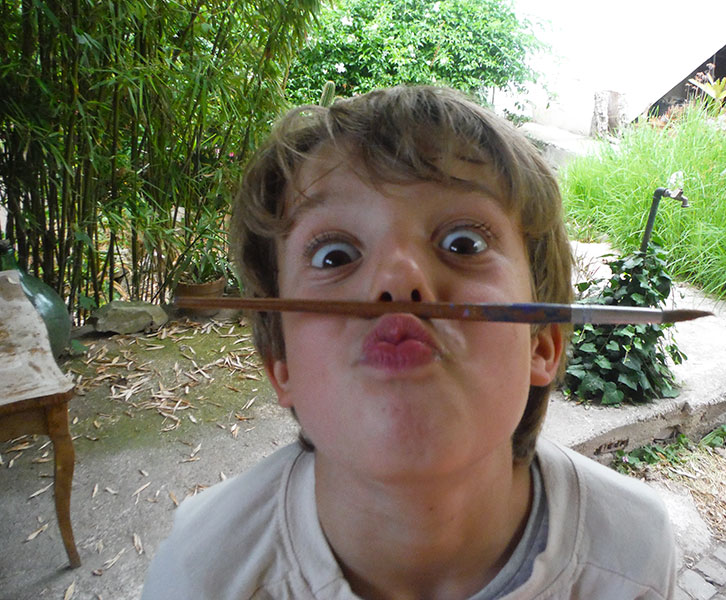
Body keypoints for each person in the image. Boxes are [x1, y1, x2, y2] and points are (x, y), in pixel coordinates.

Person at [142, 86, 676, 599]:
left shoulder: (630, 557)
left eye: (463, 244)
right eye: (334, 256)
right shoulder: (202, 574)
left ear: (541, 345)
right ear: (281, 364)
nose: (397, 280)